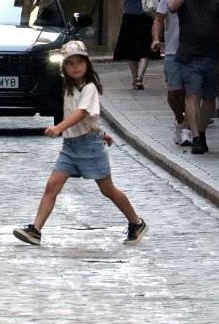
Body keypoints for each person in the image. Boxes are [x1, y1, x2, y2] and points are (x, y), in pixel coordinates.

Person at [12, 40, 148, 246]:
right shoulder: (68, 87)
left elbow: (82, 112)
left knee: (107, 189)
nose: (75, 67)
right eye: (70, 63)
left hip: (89, 147)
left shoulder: (90, 88)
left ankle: (136, 222)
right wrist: (102, 132)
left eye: (79, 62)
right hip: (70, 147)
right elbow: (87, 118)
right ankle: (35, 230)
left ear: (87, 64)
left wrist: (59, 128)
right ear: (64, 68)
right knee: (52, 186)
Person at [168, 0, 219, 155]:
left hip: (212, 55)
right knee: (192, 95)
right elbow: (172, 7)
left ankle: (201, 132)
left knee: (209, 98)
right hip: (190, 56)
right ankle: (196, 137)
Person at [152, 0, 196, 147]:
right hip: (173, 50)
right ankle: (180, 119)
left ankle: (187, 128)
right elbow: (159, 19)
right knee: (174, 93)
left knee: (192, 93)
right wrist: (155, 38)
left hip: (196, 51)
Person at [114, 0, 156, 90]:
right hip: (145, 16)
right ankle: (140, 77)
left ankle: (134, 78)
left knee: (131, 49)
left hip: (129, 15)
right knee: (145, 47)